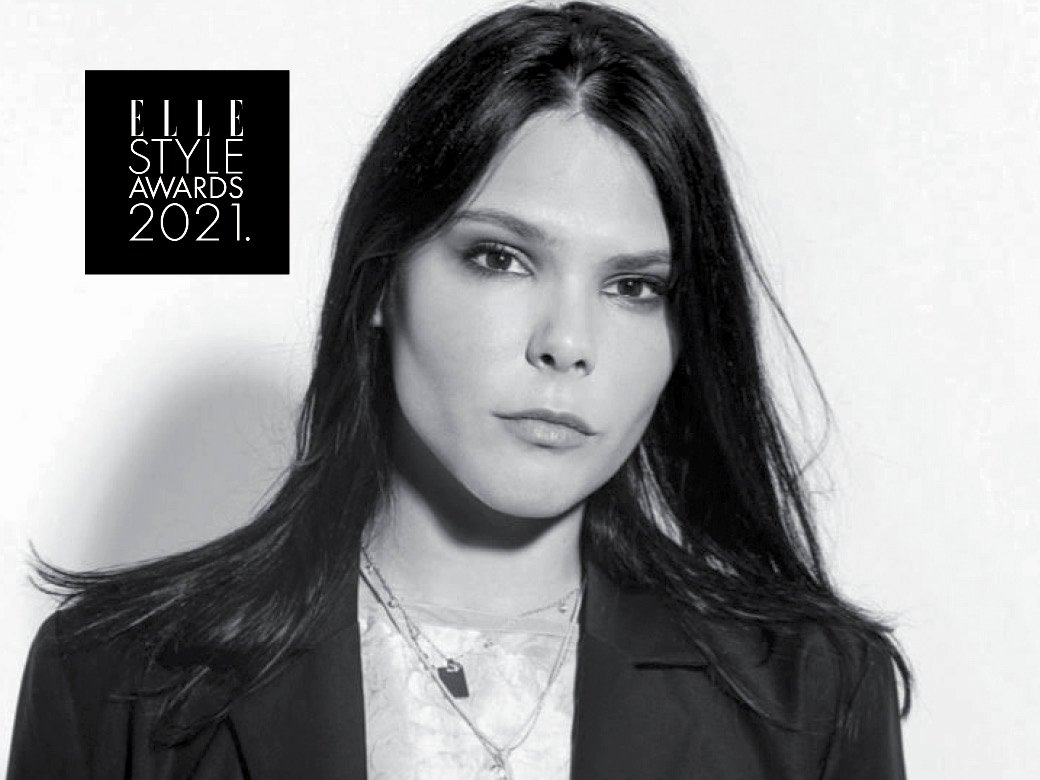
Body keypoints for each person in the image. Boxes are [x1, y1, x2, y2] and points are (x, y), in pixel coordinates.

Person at [8, 3, 910, 778]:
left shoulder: (815, 695)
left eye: (634, 286)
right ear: (381, 279)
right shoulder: (115, 679)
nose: (567, 344)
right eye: (500, 258)